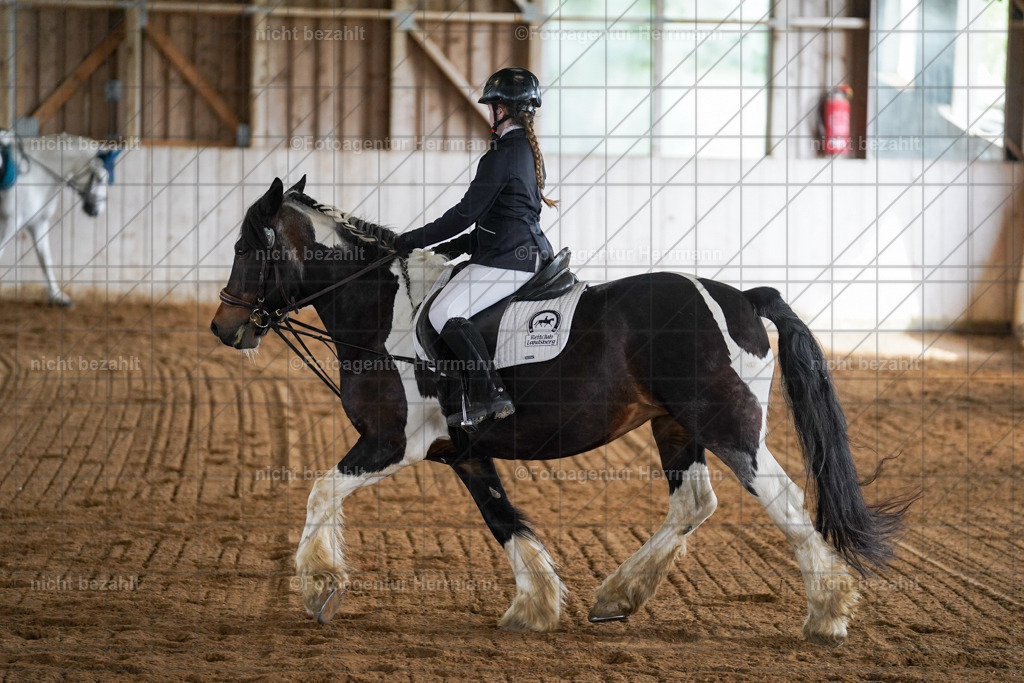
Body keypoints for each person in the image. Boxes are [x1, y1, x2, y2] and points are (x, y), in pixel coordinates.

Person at [394, 67, 557, 427]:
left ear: (502, 109)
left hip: (509, 260)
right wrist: (459, 246)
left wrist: (410, 240)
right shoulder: (526, 151)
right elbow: (505, 216)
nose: (490, 114)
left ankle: (490, 392)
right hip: (520, 252)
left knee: (443, 311)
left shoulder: (502, 154)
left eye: (492, 107)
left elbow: (464, 214)